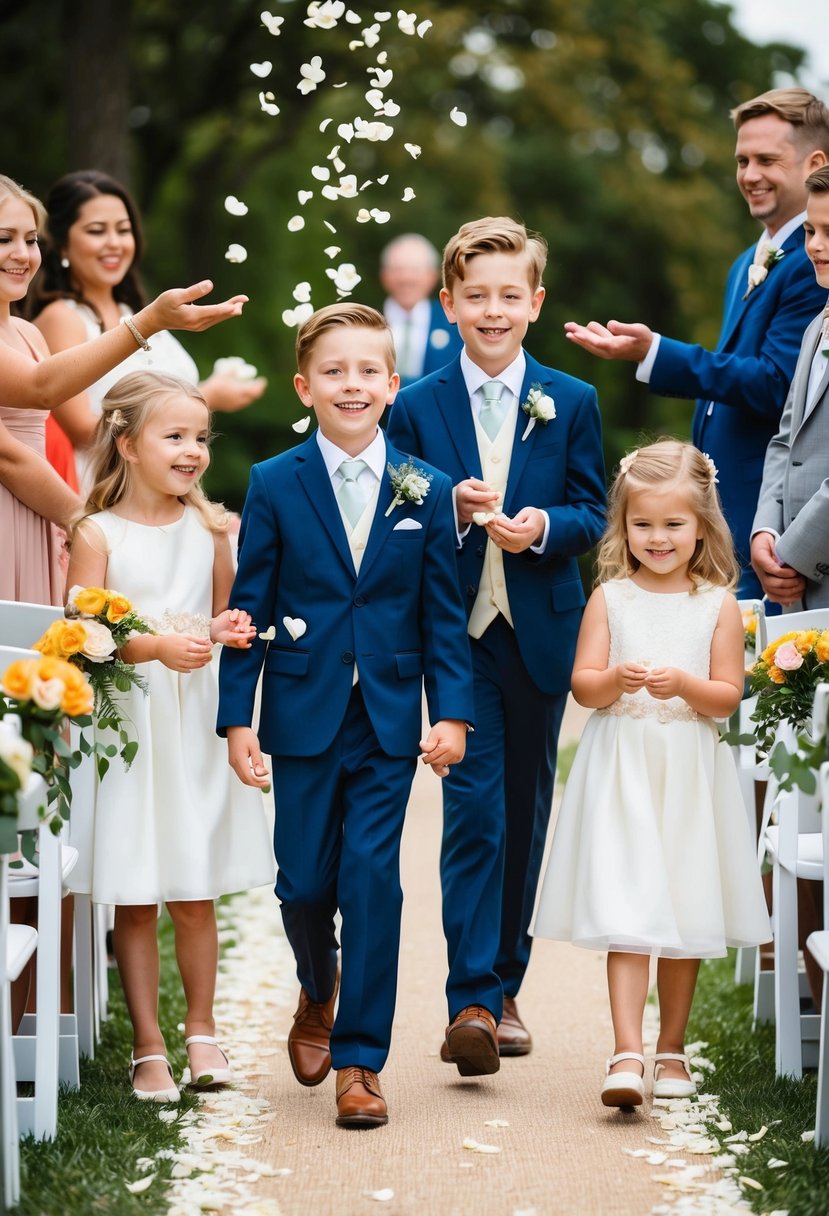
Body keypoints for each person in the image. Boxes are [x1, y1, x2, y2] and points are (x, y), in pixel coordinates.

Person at [217, 303, 474, 1128]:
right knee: (302, 880)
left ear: (393, 384)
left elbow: (442, 615)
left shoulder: (426, 489)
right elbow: (249, 603)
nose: (352, 384)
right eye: (334, 371)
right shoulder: (274, 482)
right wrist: (237, 716)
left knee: (371, 882)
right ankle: (315, 986)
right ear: (305, 386)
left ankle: (360, 1062)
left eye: (368, 370)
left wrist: (453, 714)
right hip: (299, 707)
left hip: (389, 715)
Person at [387, 216, 606, 1068]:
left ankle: (507, 983)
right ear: (447, 303)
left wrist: (542, 525)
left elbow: (592, 511)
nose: (491, 310)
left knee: (525, 815)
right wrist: (445, 510)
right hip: (455, 639)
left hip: (538, 633)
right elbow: (392, 515)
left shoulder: (572, 401)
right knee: (472, 812)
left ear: (535, 303)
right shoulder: (413, 404)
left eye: (508, 295)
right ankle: (471, 1001)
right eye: (474, 295)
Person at [532, 440, 771, 1107]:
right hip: (624, 769)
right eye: (642, 525)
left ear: (701, 526)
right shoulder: (610, 597)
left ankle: (671, 1048)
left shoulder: (715, 604)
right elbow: (582, 685)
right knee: (629, 907)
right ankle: (625, 1051)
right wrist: (613, 678)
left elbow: (726, 696)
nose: (657, 538)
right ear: (622, 527)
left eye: (672, 524)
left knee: (684, 904)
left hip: (688, 770)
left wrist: (684, 685)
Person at [64, 371, 275, 1102]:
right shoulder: (98, 533)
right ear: (127, 444)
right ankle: (148, 1045)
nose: (193, 451)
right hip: (130, 723)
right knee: (136, 890)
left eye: (200, 438)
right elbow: (87, 636)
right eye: (175, 436)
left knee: (194, 889)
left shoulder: (211, 530)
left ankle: (203, 1033)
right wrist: (155, 647)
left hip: (190, 722)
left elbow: (221, 616)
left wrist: (226, 630)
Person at [563, 88, 829, 599]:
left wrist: (656, 354)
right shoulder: (745, 264)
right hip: (732, 520)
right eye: (742, 160)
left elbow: (774, 384)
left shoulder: (808, 266)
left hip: (779, 527)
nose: (749, 174)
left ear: (814, 162)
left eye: (767, 160)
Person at [0, 171, 246, 604]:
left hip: (40, 514)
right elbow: (35, 408)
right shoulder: (60, 319)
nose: (21, 253)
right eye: (4, 239)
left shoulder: (27, 334)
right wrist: (92, 523)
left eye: (30, 239)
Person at [28, 169, 267, 490]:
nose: (114, 243)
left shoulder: (135, 313)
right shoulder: (62, 318)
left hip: (171, 494)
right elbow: (84, 431)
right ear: (62, 243)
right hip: (109, 494)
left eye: (123, 230)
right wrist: (208, 397)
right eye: (97, 231)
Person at [752, 164, 829, 609]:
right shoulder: (814, 329)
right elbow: (785, 441)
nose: (815, 246)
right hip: (795, 582)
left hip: (807, 563)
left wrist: (794, 553)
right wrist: (767, 530)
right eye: (810, 231)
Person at [380, 233, 462, 385]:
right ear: (384, 275)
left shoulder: (456, 325)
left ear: (432, 276)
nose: (406, 278)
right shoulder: (363, 322)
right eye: (398, 270)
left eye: (415, 270)